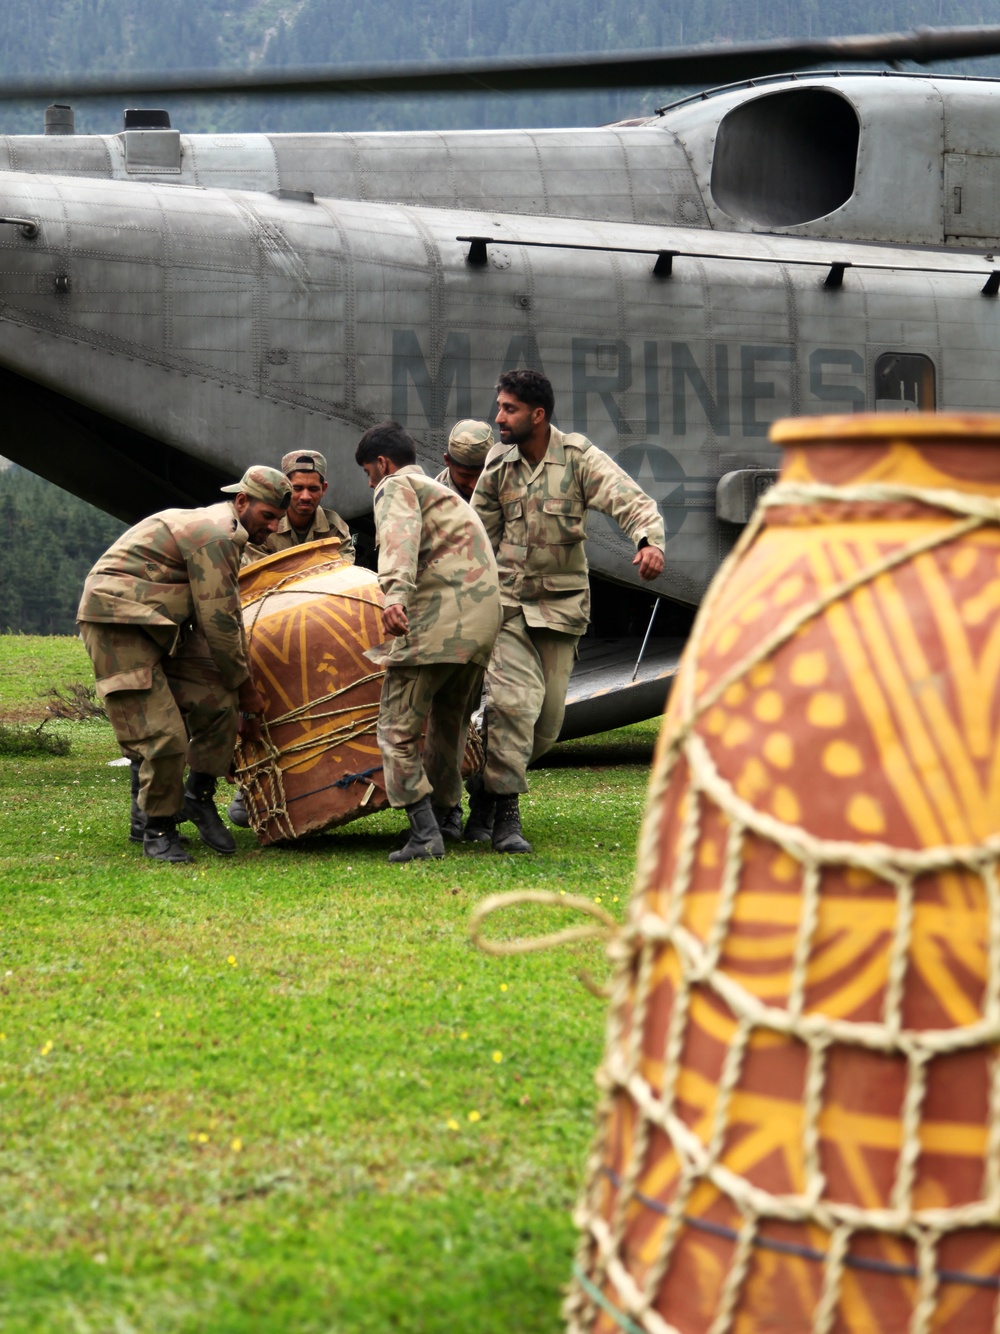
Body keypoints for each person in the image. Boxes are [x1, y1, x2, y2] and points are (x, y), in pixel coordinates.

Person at [471, 369, 666, 854]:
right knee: (512, 704)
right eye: (499, 406)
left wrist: (648, 542)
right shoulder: (498, 465)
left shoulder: (576, 458)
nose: (498, 417)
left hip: (561, 610)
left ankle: (484, 791)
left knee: (546, 725)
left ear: (537, 415)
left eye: (509, 409)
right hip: (509, 606)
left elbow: (631, 501)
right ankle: (505, 816)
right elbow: (475, 536)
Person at [77, 467, 291, 864]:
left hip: (164, 624)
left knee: (217, 699)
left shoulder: (226, 532)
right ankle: (157, 829)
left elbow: (225, 614)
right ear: (242, 502)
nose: (274, 526)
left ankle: (196, 797)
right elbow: (220, 622)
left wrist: (237, 690)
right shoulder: (217, 534)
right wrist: (249, 689)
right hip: (118, 622)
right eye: (267, 516)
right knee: (162, 734)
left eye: (278, 518)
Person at [356, 422, 501, 862]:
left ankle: (423, 833)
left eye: (368, 472)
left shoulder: (396, 485)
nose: (370, 482)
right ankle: (443, 817)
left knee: (396, 730)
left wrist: (394, 595)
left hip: (439, 626)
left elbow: (400, 539)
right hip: (480, 628)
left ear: (382, 463)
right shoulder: (444, 495)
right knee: (448, 724)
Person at [243, 449, 353, 562]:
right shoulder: (264, 524)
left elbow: (345, 573)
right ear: (284, 488)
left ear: (323, 489)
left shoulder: (335, 529)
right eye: (297, 488)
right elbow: (257, 573)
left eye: (313, 489)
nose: (305, 496)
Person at [434, 420, 495, 501]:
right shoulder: (433, 500)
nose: (474, 486)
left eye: (482, 475)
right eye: (465, 476)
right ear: (447, 460)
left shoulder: (506, 484)